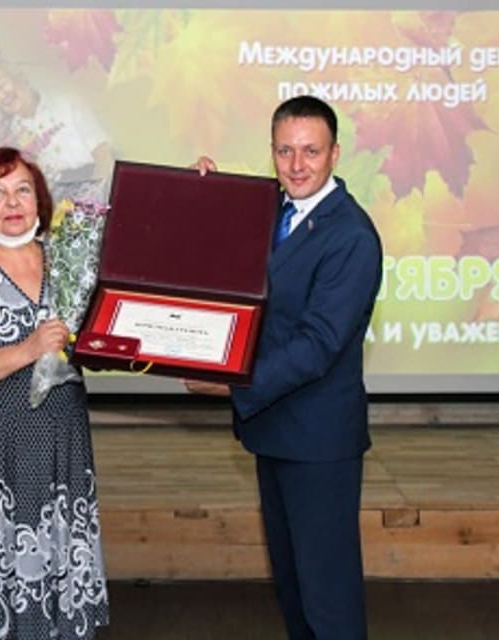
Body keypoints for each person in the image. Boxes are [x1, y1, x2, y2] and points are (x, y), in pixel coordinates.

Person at [187, 95, 382, 640]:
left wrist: (233, 383)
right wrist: (201, 195)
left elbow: (317, 345)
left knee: (328, 602)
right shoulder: (270, 210)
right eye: (284, 151)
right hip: (274, 433)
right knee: (295, 593)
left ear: (335, 154)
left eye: (311, 152)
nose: (297, 165)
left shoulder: (352, 235)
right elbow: (219, 253)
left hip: (318, 444)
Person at [0, 147, 109, 639]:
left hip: (61, 451)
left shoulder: (69, 266)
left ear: (39, 200)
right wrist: (28, 349)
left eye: (22, 190)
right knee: (2, 593)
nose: (12, 202)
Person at [0, 61, 114, 204]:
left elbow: (104, 156)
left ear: (21, 76)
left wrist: (90, 203)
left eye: (2, 83)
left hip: (96, 186)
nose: (2, 95)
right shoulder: (13, 136)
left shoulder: (66, 103)